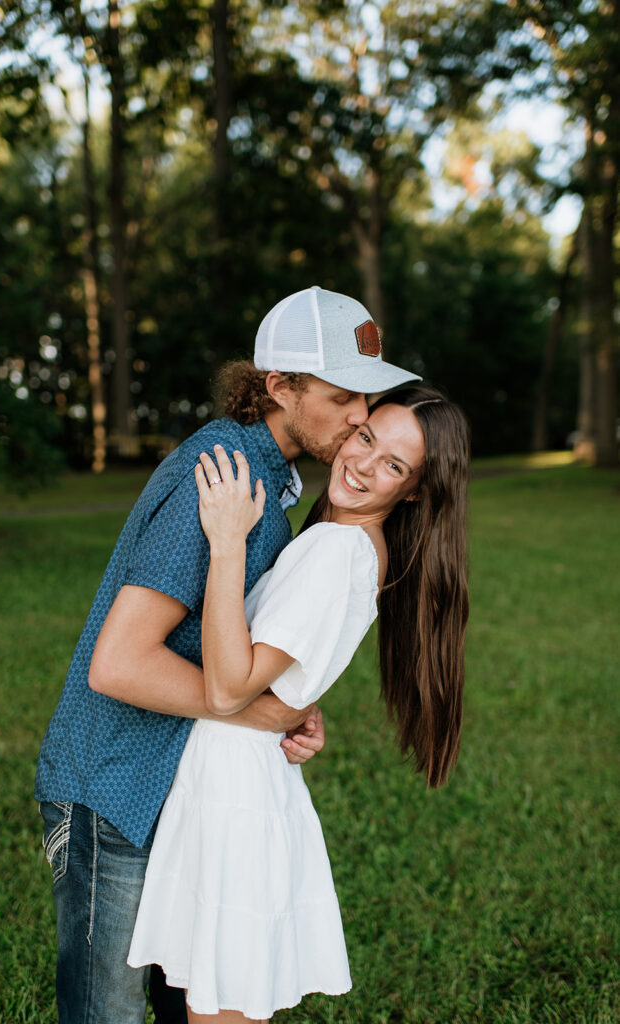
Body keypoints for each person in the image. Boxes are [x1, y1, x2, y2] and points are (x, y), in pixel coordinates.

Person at [35, 285, 420, 1024]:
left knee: (188, 997)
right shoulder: (223, 475)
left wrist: (281, 705)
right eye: (343, 398)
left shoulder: (277, 477)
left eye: (366, 401)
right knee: (105, 1012)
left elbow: (248, 635)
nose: (359, 420)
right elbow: (118, 664)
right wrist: (260, 711)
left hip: (173, 784)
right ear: (280, 386)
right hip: (112, 787)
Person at [127, 384, 470, 1023]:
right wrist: (293, 706)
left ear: (416, 491)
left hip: (236, 799)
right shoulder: (344, 546)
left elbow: (231, 687)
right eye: (367, 438)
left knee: (217, 1005)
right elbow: (274, 679)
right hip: (233, 785)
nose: (365, 464)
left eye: (395, 465)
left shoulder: (338, 550)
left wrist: (228, 543)